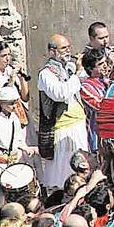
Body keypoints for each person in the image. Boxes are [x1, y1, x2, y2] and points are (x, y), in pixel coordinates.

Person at [36, 35, 88, 190]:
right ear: (52, 52)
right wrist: (77, 74)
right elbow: (60, 93)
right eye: (63, 48)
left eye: (68, 47)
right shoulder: (46, 74)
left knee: (80, 166)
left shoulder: (69, 68)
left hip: (78, 127)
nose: (68, 51)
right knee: (63, 172)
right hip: (62, 130)